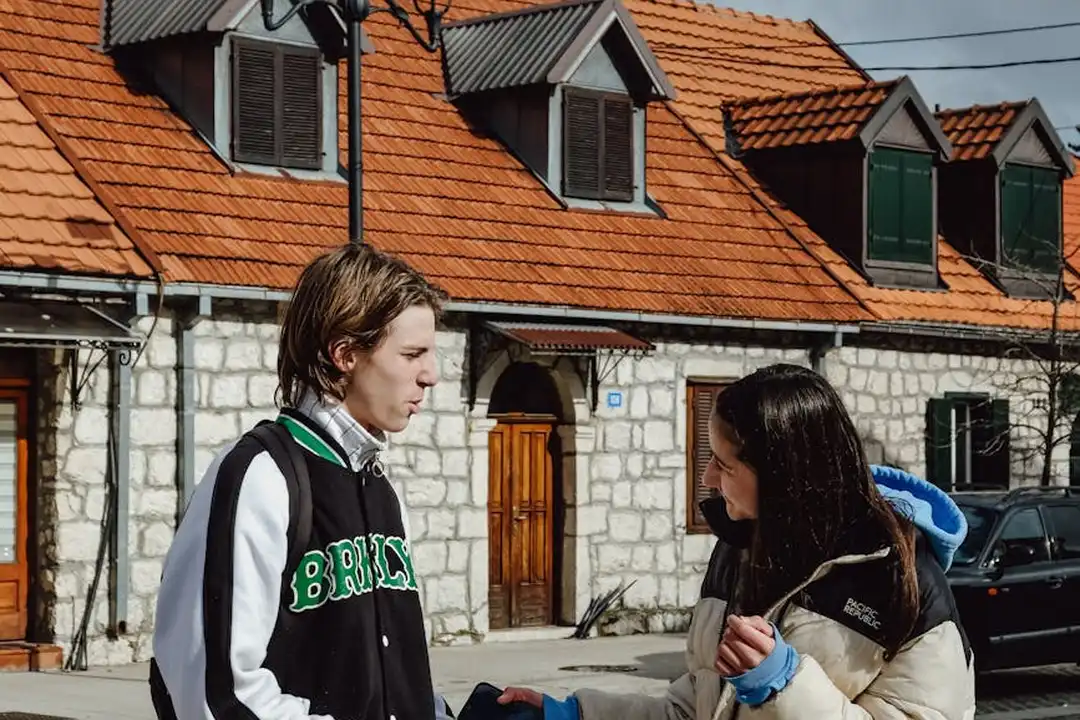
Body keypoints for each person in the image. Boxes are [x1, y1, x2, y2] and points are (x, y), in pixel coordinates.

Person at [500, 364, 976, 719]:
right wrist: (572, 713)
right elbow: (696, 709)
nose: (707, 477)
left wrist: (784, 686)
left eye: (725, 465)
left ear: (786, 475)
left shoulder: (902, 582)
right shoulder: (738, 550)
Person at [151, 243, 450, 720]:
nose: (432, 375)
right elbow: (217, 695)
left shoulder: (379, 486)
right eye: (413, 354)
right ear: (346, 353)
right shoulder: (259, 477)